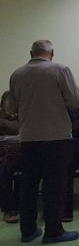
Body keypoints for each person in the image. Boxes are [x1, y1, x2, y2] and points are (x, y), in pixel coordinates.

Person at [9, 40, 79, 243]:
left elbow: (12, 107)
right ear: (52, 53)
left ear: (31, 53)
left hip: (28, 137)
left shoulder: (17, 74)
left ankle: (28, 231)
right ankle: (53, 232)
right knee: (54, 186)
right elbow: (75, 100)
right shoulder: (60, 70)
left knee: (28, 185)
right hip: (56, 138)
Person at [0, 90, 21, 224]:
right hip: (3, 156)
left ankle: (17, 206)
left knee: (27, 169)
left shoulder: (23, 116)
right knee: (4, 169)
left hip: (19, 155)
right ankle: (8, 209)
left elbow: (20, 129)